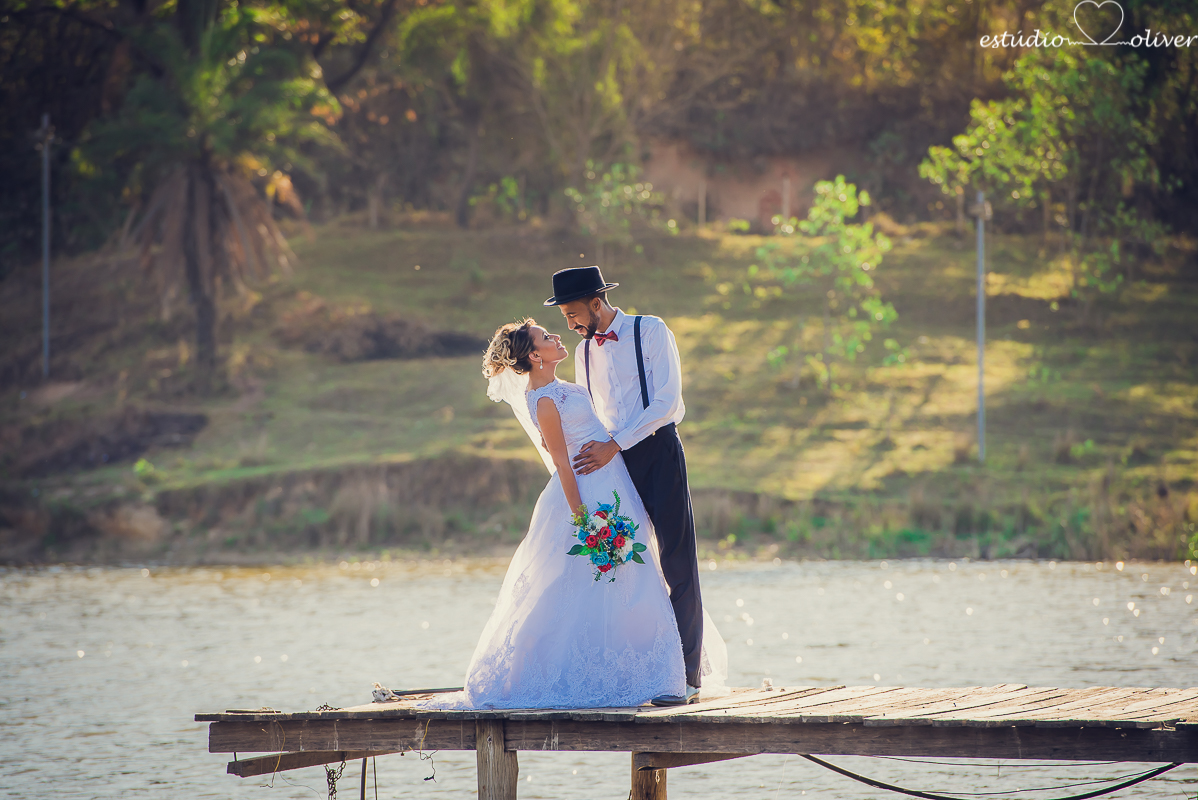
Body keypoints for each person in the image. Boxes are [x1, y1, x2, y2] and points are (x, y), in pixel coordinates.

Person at [420, 318, 723, 710]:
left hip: (614, 484)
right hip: (590, 496)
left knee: (635, 577)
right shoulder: (544, 400)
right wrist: (586, 522)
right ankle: (626, 673)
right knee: (601, 583)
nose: (558, 336)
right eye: (547, 337)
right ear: (534, 355)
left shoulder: (563, 388)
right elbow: (562, 464)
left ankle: (659, 672)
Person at [549, 266, 704, 706]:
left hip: (657, 451)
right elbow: (589, 412)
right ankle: (641, 669)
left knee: (678, 561)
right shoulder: (581, 354)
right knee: (625, 566)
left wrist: (614, 444)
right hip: (611, 462)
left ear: (597, 303)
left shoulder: (650, 330)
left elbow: (667, 403)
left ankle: (688, 679)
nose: (572, 325)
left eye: (575, 314)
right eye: (565, 318)